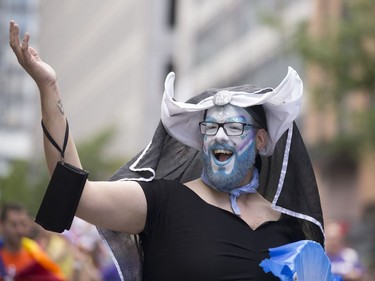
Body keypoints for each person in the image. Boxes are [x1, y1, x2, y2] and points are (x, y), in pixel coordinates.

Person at [9, 20, 327, 280]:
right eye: (211, 127)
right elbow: (78, 196)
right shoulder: (162, 202)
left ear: (260, 141)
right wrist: (48, 89)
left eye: (233, 128)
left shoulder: (290, 228)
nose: (219, 136)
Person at [0, 202, 66, 281]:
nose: (19, 230)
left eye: (23, 224)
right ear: (2, 225)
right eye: (13, 225)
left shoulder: (36, 258)